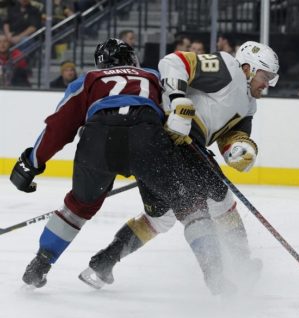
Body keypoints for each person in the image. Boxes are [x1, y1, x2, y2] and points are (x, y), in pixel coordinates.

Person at [11, 38, 220, 292]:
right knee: (191, 206)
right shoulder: (152, 76)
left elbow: (59, 126)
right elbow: (177, 116)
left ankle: (40, 264)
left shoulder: (88, 80)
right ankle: (216, 276)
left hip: (98, 141)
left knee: (78, 206)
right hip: (147, 140)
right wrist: (196, 156)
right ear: (132, 59)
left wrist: (32, 162)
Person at [78, 41, 280, 294]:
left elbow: (232, 138)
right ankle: (239, 264)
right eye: (265, 76)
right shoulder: (229, 69)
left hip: (159, 148)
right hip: (174, 140)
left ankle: (103, 262)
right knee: (220, 202)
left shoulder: (249, 104)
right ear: (248, 68)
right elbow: (173, 63)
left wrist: (241, 151)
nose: (267, 84)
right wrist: (177, 100)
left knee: (160, 218)